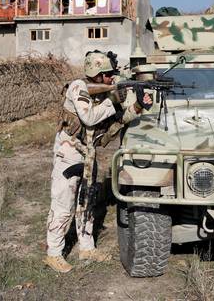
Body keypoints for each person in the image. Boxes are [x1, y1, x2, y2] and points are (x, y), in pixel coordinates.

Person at [43, 50, 152, 273]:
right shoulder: (77, 87)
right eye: (108, 74)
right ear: (97, 73)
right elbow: (89, 117)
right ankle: (54, 253)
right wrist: (113, 98)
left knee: (88, 202)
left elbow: (117, 121)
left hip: (88, 154)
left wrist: (138, 105)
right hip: (69, 153)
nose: (112, 77)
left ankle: (86, 248)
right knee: (64, 203)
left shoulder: (104, 94)